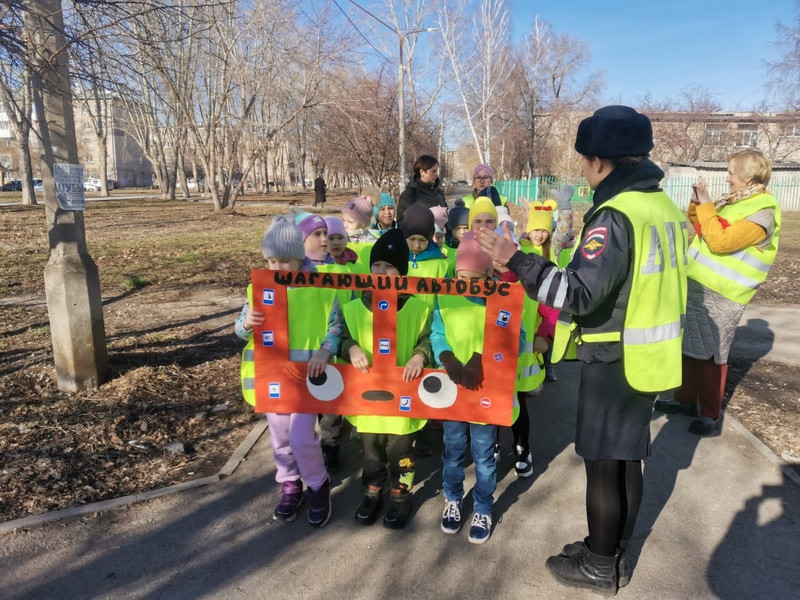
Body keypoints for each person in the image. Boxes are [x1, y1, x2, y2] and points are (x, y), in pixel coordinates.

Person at [475, 105, 688, 594]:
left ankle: (599, 566)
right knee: (625, 461)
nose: (585, 173)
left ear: (599, 162)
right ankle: (611, 551)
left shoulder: (615, 215)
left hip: (614, 358)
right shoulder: (662, 206)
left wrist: (517, 260)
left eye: (585, 163)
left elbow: (578, 293)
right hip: (647, 357)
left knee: (603, 465)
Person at [655, 149, 781, 435]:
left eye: (731, 173)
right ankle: (686, 400)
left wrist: (708, 204)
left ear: (748, 176)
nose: (727, 178)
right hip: (699, 288)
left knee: (713, 355)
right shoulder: (736, 202)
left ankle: (710, 414)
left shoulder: (763, 212)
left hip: (724, 295)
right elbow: (704, 226)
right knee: (690, 347)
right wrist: (698, 202)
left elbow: (720, 242)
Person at [235, 215, 333, 527]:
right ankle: (290, 484)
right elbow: (240, 329)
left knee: (302, 438)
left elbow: (335, 323)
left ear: (300, 258)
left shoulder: (320, 286)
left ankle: (318, 485)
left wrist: (326, 349)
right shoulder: (258, 288)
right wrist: (246, 323)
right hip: (271, 378)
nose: (278, 268)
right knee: (279, 437)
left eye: (285, 261)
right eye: (272, 261)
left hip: (305, 379)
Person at [337, 229, 434, 529]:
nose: (381, 271)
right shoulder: (353, 308)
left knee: (400, 450)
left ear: (401, 273)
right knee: (371, 451)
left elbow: (429, 338)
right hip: (367, 396)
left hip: (403, 394)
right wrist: (351, 348)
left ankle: (401, 495)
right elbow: (341, 337)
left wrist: (420, 355)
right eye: (376, 265)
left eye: (389, 267)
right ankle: (372, 491)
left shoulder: (418, 309)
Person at [434, 233, 519, 543]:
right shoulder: (446, 296)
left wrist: (482, 357)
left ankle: (483, 506)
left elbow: (514, 338)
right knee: (453, 449)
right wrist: (446, 356)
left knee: (483, 454)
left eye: (474, 281)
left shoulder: (501, 298)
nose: (467, 286)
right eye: (461, 279)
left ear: (487, 274)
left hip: (485, 390)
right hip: (454, 387)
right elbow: (437, 331)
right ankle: (453, 498)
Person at [396, 155, 447, 223]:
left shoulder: (439, 193)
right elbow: (401, 223)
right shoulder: (409, 195)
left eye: (436, 171)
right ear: (422, 172)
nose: (436, 174)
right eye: (433, 171)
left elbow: (446, 218)